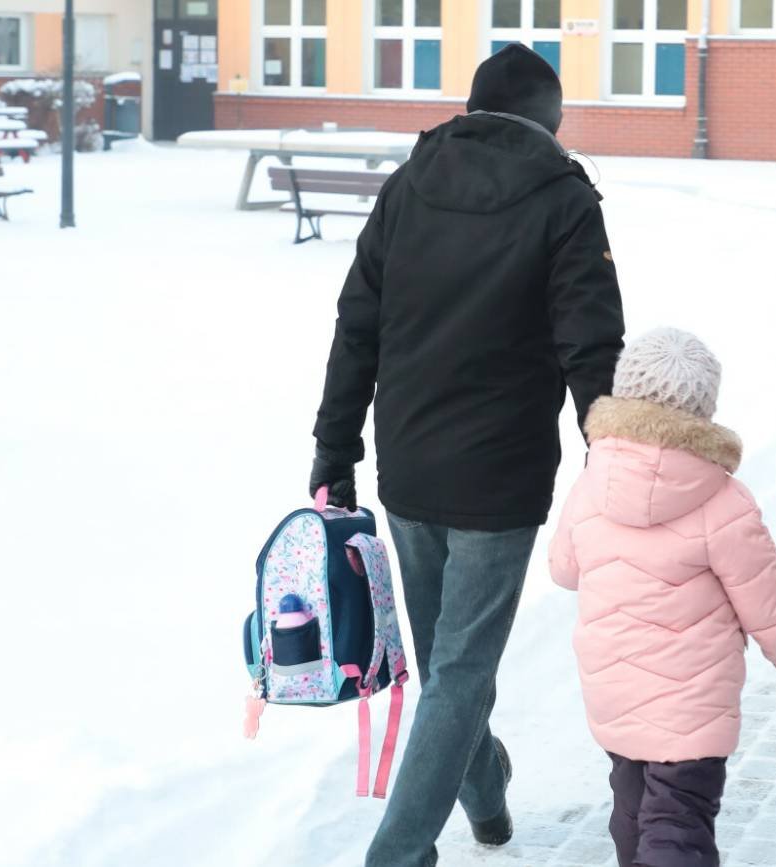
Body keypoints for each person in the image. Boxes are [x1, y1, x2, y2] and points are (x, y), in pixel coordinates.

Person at [309, 44, 625, 867]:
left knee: (453, 670)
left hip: (409, 463)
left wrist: (335, 448)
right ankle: (400, 852)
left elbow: (356, 328)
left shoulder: (409, 184)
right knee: (457, 673)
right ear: (549, 119)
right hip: (499, 478)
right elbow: (591, 345)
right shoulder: (564, 199)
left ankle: (484, 792)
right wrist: (614, 452)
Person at [548, 328, 776, 867]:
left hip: (614, 696)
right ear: (702, 408)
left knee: (633, 817)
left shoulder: (594, 481)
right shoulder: (725, 501)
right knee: (677, 829)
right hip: (693, 710)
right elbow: (771, 614)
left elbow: (563, 570)